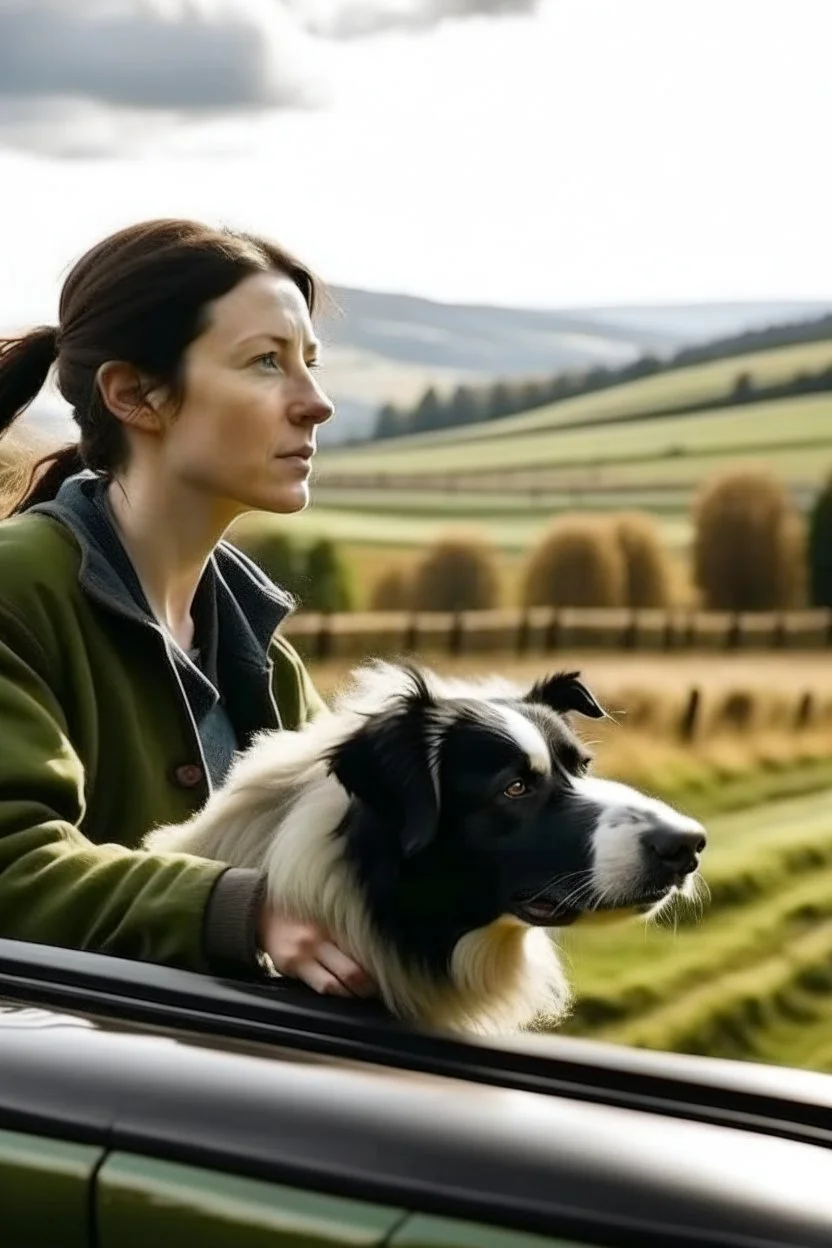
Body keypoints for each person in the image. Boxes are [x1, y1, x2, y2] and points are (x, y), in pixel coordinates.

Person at [0, 218, 376, 1000]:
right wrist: (244, 912)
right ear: (135, 394)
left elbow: (343, 851)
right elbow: (11, 867)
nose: (316, 404)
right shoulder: (15, 595)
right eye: (267, 363)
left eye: (309, 362)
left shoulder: (262, 652)